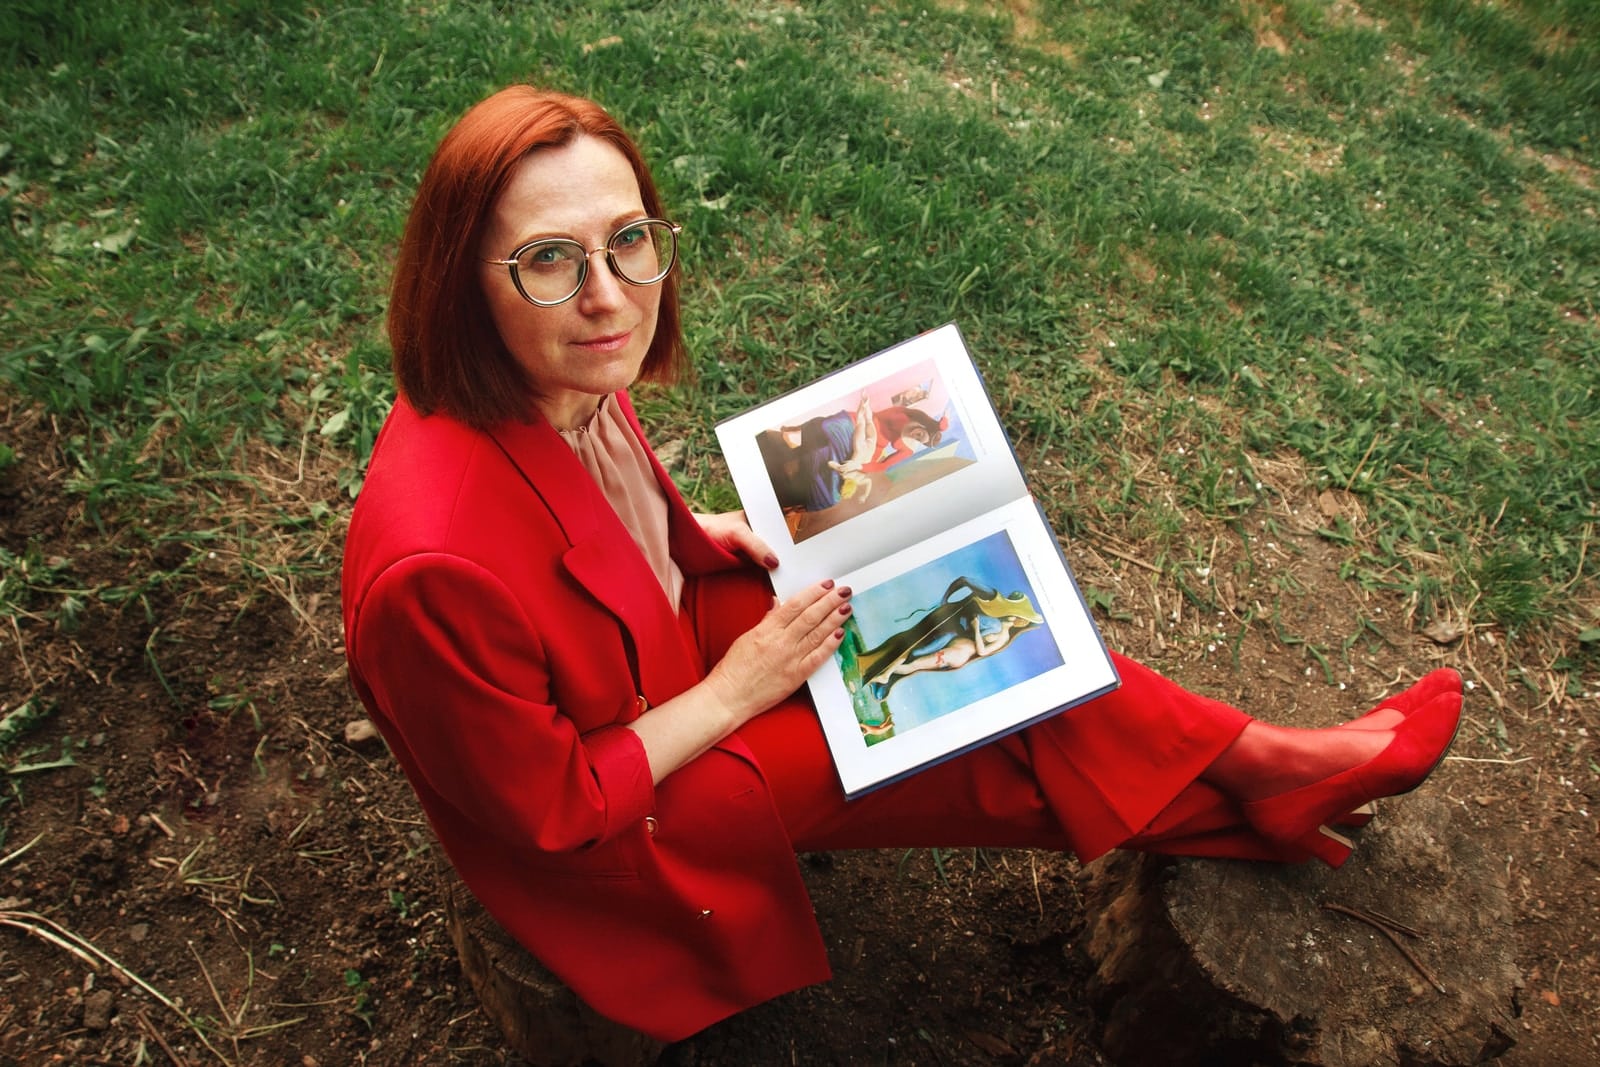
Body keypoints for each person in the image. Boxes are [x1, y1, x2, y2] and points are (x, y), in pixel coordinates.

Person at [340, 86, 1463, 1044]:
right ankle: (1263, 780)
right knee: (971, 722)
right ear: (461, 276)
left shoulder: (557, 360)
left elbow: (590, 524)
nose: (608, 292)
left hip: (654, 646)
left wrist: (697, 530)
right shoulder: (434, 570)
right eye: (547, 259)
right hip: (631, 804)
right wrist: (739, 688)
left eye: (629, 240)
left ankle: (1264, 766)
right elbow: (555, 809)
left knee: (960, 585)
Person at [856, 576, 1042, 699]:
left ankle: (882, 679)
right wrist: (946, 599)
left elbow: (983, 649)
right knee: (912, 647)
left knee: (917, 656)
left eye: (1022, 620)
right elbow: (964, 580)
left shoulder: (1002, 631)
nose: (1019, 621)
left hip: (956, 644)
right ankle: (877, 673)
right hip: (947, 628)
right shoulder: (993, 598)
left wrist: (975, 629)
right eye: (1020, 617)